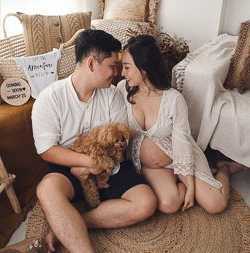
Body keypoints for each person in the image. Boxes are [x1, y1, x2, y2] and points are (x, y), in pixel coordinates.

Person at [32, 30, 157, 253]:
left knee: (146, 203)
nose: (117, 72)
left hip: (110, 165)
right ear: (91, 63)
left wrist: (99, 163)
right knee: (47, 189)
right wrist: (85, 163)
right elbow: (47, 150)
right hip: (68, 166)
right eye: (112, 65)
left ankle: (76, 222)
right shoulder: (49, 98)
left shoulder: (112, 95)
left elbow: (121, 142)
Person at [117, 35, 248, 214]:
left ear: (144, 67)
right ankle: (176, 183)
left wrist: (190, 187)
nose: (122, 73)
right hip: (151, 167)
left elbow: (182, 144)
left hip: (180, 158)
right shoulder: (122, 90)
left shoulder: (172, 99)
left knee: (216, 205)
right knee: (168, 205)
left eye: (126, 67)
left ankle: (224, 169)